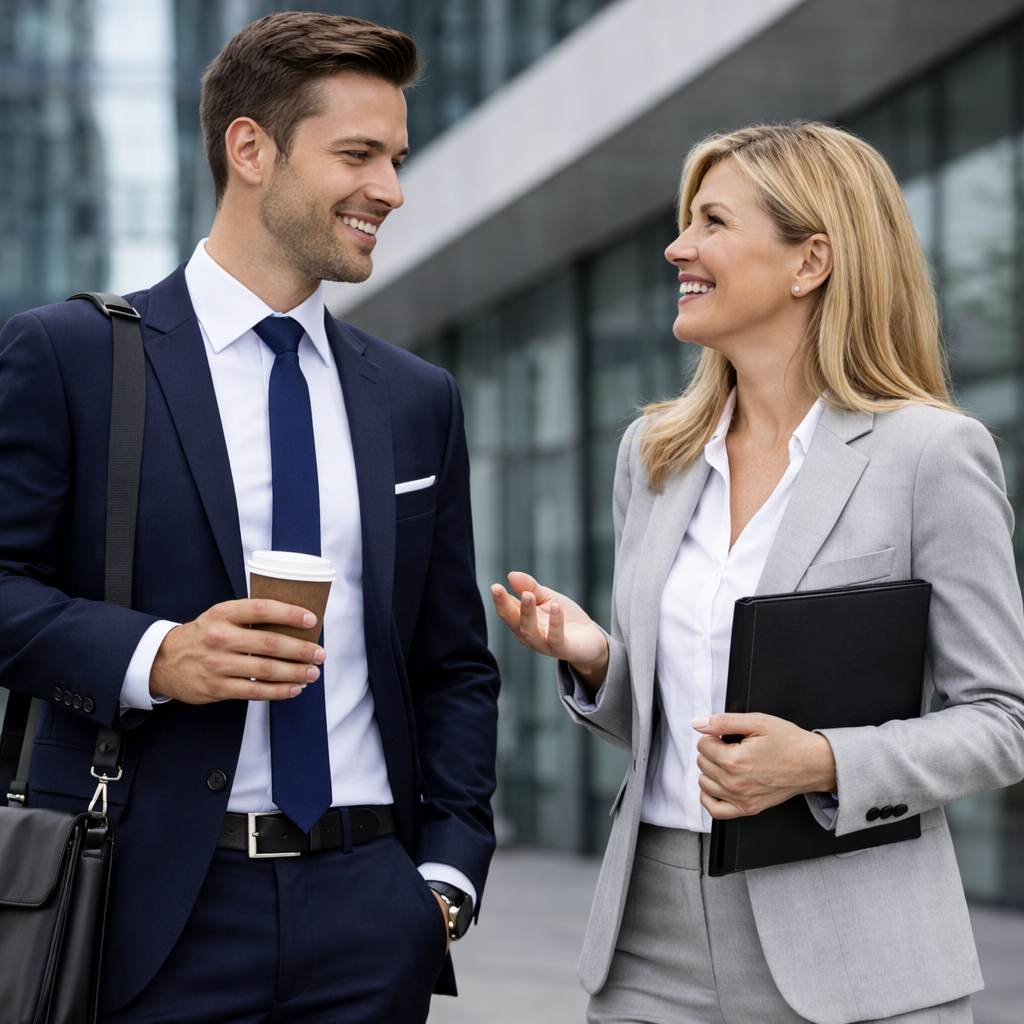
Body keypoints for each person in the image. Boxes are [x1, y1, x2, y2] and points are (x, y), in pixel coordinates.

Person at [0, 13, 499, 1024]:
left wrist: (444, 879)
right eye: (358, 154)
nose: (390, 190)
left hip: (371, 915)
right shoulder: (72, 356)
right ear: (250, 148)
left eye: (396, 159)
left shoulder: (415, 399)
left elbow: (451, 661)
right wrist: (157, 657)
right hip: (142, 912)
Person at [491, 121, 1024, 1024]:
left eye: (712, 223)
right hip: (648, 939)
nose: (678, 247)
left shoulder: (931, 454)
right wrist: (598, 660)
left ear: (809, 261)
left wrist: (821, 762)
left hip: (856, 949)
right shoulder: (655, 456)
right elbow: (676, 729)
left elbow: (1003, 721)